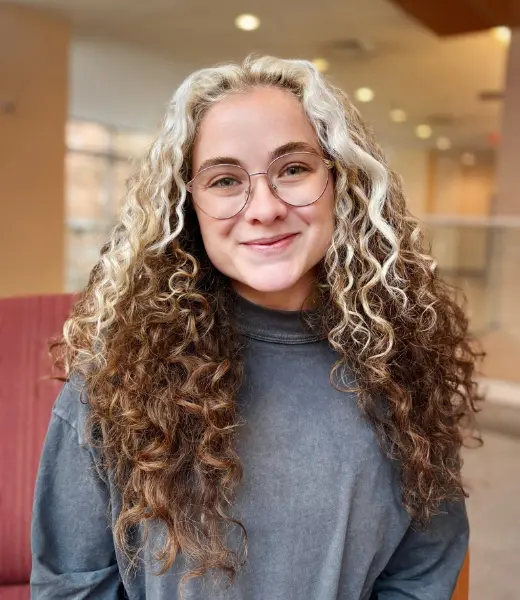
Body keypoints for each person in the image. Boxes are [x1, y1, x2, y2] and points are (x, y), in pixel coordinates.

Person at [31, 55, 482, 600]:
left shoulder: (405, 366)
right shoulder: (115, 379)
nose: (264, 207)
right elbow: (72, 585)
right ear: (187, 203)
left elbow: (420, 577)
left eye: (293, 168)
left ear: (342, 182)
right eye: (225, 180)